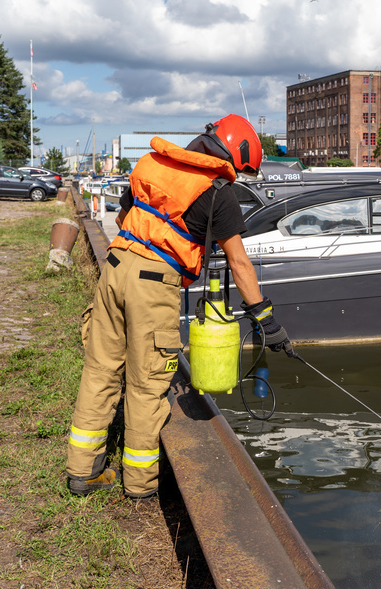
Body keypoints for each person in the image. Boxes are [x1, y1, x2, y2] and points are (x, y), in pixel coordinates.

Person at [66, 114, 293, 498]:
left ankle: (83, 472)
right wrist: (267, 321)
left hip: (116, 266)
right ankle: (140, 484)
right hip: (153, 285)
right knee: (147, 384)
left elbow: (123, 217)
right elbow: (239, 262)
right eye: (242, 170)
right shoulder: (219, 191)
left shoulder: (151, 164)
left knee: (100, 371)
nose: (237, 177)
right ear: (236, 157)